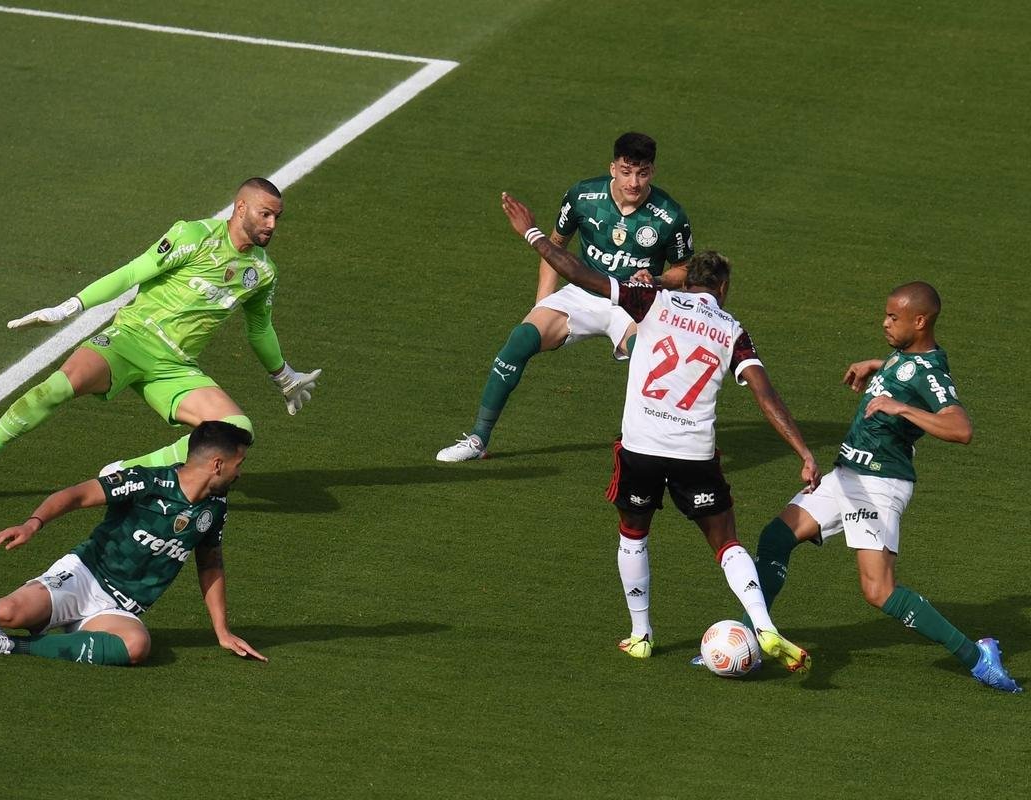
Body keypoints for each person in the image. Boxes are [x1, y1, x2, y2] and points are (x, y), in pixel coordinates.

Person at [500, 192, 816, 672]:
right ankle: (764, 625)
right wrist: (803, 451)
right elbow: (765, 396)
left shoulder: (652, 300)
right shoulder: (732, 329)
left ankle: (641, 634)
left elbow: (580, 274)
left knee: (633, 533)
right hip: (695, 454)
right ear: (724, 288)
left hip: (642, 448)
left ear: (689, 280)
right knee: (726, 541)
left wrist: (533, 233)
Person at [0, 177, 321, 496]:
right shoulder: (194, 235)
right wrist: (70, 307)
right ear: (241, 209)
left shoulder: (262, 272)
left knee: (237, 432)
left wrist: (283, 377)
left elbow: (259, 329)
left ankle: (124, 472)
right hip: (128, 339)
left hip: (174, 366)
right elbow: (131, 273)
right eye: (265, 214)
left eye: (277, 217)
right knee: (56, 389)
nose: (272, 225)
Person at [720, 282, 1021, 692]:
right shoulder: (906, 358)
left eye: (893, 317)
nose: (884, 322)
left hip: (878, 486)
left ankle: (978, 656)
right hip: (846, 475)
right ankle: (747, 638)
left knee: (878, 591)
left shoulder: (931, 371)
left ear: (920, 321)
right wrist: (879, 367)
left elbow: (960, 428)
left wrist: (901, 407)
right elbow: (906, 372)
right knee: (776, 537)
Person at [0, 421, 266, 666]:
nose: (240, 473)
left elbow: (210, 562)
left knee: (137, 646)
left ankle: (15, 649)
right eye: (238, 464)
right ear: (217, 463)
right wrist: (32, 524)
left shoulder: (214, 506)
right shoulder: (147, 481)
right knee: (9, 610)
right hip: (84, 576)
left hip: (121, 608)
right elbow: (76, 495)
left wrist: (221, 630)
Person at [436, 133, 693, 462]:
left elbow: (684, 269)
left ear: (652, 172)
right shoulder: (583, 196)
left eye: (642, 173)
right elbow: (554, 249)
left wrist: (656, 279)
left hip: (633, 303)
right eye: (627, 171)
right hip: (583, 294)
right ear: (613, 168)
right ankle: (478, 439)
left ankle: (670, 445)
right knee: (520, 339)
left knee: (651, 362)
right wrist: (542, 303)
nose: (634, 182)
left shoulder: (669, 216)